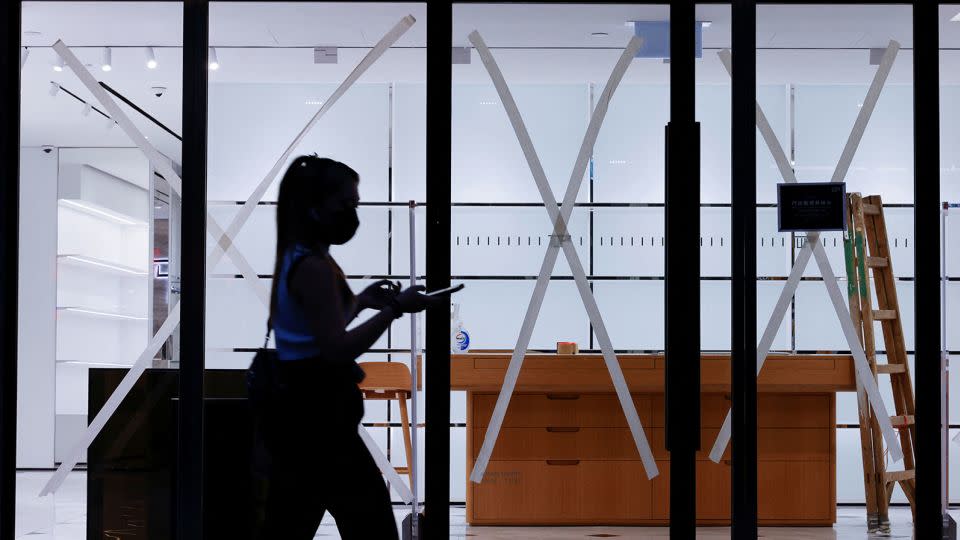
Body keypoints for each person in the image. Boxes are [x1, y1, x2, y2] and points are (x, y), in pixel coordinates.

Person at [254, 155, 440, 539]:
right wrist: (394, 309)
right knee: (371, 524)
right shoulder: (315, 267)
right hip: (322, 425)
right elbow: (336, 349)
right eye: (346, 204)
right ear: (315, 207)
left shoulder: (296, 257)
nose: (353, 215)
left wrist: (360, 302)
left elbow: (317, 330)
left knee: (287, 524)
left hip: (298, 421)